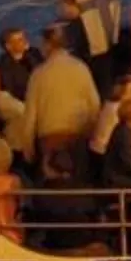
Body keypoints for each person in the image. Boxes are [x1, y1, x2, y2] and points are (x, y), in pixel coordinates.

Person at [24, 24, 102, 180]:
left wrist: (28, 148)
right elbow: (94, 106)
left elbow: (30, 116)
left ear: (48, 44)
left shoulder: (38, 74)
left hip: (49, 142)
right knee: (78, 185)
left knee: (54, 187)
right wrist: (92, 135)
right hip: (78, 140)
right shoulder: (81, 68)